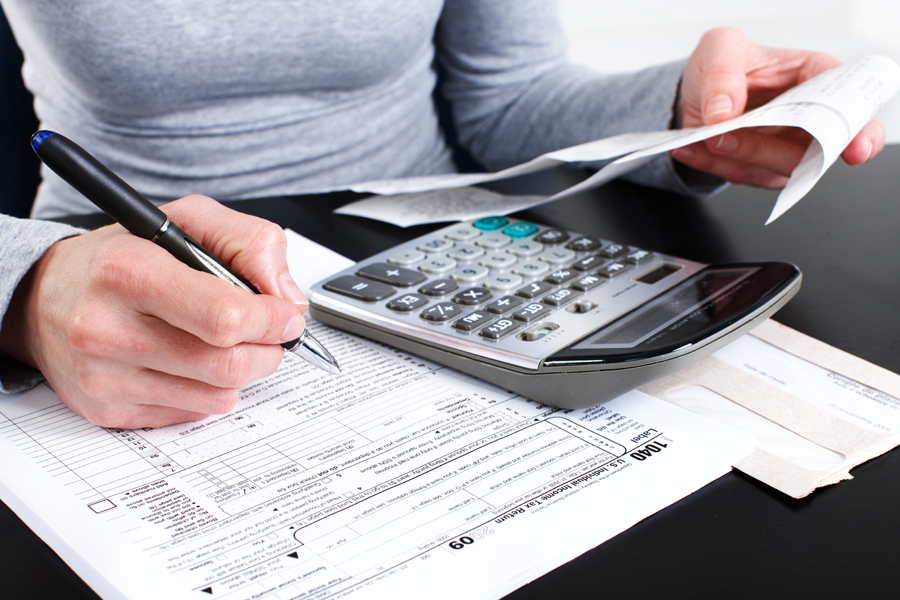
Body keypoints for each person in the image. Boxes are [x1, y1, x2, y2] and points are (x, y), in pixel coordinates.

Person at [0, 1, 885, 429]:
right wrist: (27, 287)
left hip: (429, 256)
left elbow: (506, 97)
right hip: (108, 276)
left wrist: (689, 118)